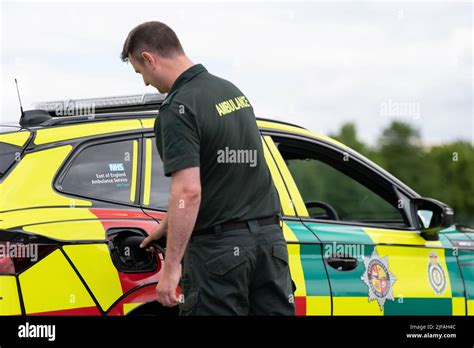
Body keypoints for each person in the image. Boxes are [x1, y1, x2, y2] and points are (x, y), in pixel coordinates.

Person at [121, 21, 295, 315]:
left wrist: (172, 268)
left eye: (141, 73)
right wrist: (167, 226)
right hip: (270, 245)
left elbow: (188, 191)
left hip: (220, 255)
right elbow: (228, 176)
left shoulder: (178, 109)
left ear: (149, 58)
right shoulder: (232, 93)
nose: (146, 83)